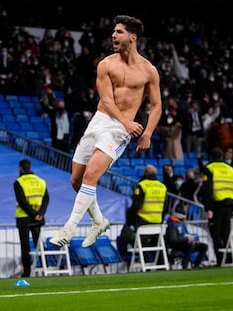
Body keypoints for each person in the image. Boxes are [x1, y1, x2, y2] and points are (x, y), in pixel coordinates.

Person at [50, 15, 162, 248]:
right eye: (114, 32)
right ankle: (99, 221)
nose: (113, 35)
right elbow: (107, 100)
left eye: (119, 32)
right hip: (100, 121)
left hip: (119, 131)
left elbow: (157, 105)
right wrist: (128, 123)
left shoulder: (149, 71)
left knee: (91, 175)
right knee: (76, 180)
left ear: (133, 38)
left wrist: (147, 132)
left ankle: (68, 229)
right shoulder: (106, 64)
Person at [14, 158, 49, 277]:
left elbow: (22, 202)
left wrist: (33, 214)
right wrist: (40, 214)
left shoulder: (19, 182)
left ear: (20, 168)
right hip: (38, 219)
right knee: (39, 246)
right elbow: (46, 199)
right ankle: (45, 268)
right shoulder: (41, 181)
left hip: (24, 219)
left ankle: (27, 272)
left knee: (25, 246)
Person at [202, 146, 233, 266]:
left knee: (216, 233)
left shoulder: (209, 168)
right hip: (228, 205)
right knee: (226, 233)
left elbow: (207, 190)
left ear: (211, 156)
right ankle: (229, 259)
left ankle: (220, 259)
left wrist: (208, 208)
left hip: (216, 206)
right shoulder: (230, 169)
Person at [166, 201, 208, 269]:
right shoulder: (172, 225)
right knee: (190, 245)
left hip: (185, 244)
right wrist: (187, 239)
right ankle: (184, 265)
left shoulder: (182, 223)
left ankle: (196, 265)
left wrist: (193, 239)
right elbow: (173, 240)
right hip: (176, 246)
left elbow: (186, 234)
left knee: (204, 246)